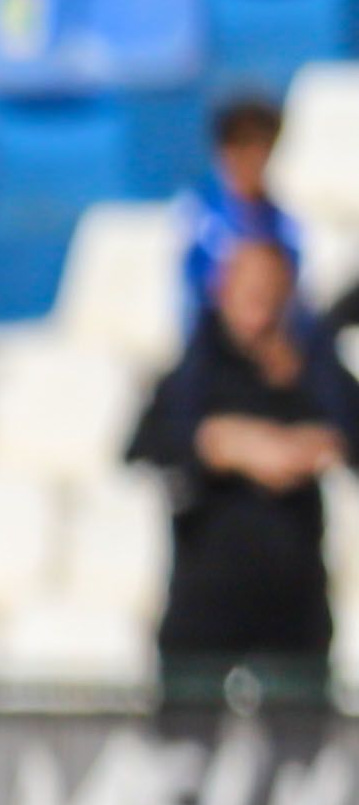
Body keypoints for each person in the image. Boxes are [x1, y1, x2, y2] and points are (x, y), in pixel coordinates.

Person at [131, 235, 353, 708]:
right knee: (188, 751)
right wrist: (220, 442)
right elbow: (143, 446)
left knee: (302, 751)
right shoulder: (197, 372)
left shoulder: (315, 372)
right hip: (207, 605)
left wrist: (311, 444)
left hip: (294, 610)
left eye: (269, 290)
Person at [175, 99, 297, 320]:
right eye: (239, 143)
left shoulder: (286, 224)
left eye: (261, 144)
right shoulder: (195, 215)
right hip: (211, 343)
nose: (251, 155)